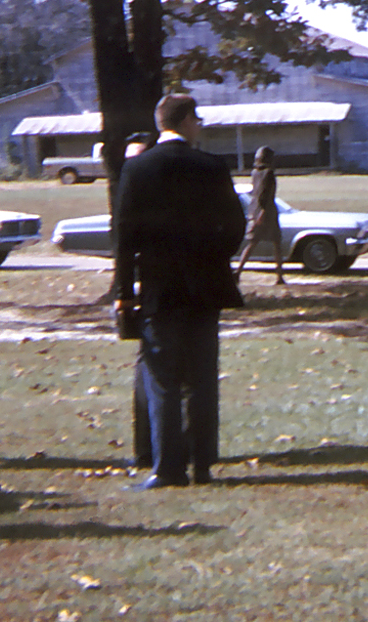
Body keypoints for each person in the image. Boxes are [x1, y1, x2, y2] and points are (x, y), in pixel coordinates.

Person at [114, 94, 245, 488]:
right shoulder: (212, 166)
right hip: (206, 284)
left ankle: (167, 466)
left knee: (163, 377)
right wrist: (216, 256)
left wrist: (124, 290)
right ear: (186, 119)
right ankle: (202, 462)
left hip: (160, 284)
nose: (199, 125)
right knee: (202, 376)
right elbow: (236, 224)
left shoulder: (138, 168)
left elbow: (124, 235)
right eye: (197, 118)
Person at [123, 131, 159, 470]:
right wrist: (124, 294)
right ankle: (145, 449)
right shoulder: (131, 195)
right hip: (143, 291)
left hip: (161, 289)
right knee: (145, 369)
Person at [234, 146, 285, 285]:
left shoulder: (255, 172)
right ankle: (279, 276)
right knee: (276, 243)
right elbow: (266, 193)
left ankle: (238, 271)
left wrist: (256, 212)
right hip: (267, 211)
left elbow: (256, 193)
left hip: (255, 209)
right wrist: (263, 212)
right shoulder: (269, 173)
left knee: (253, 242)